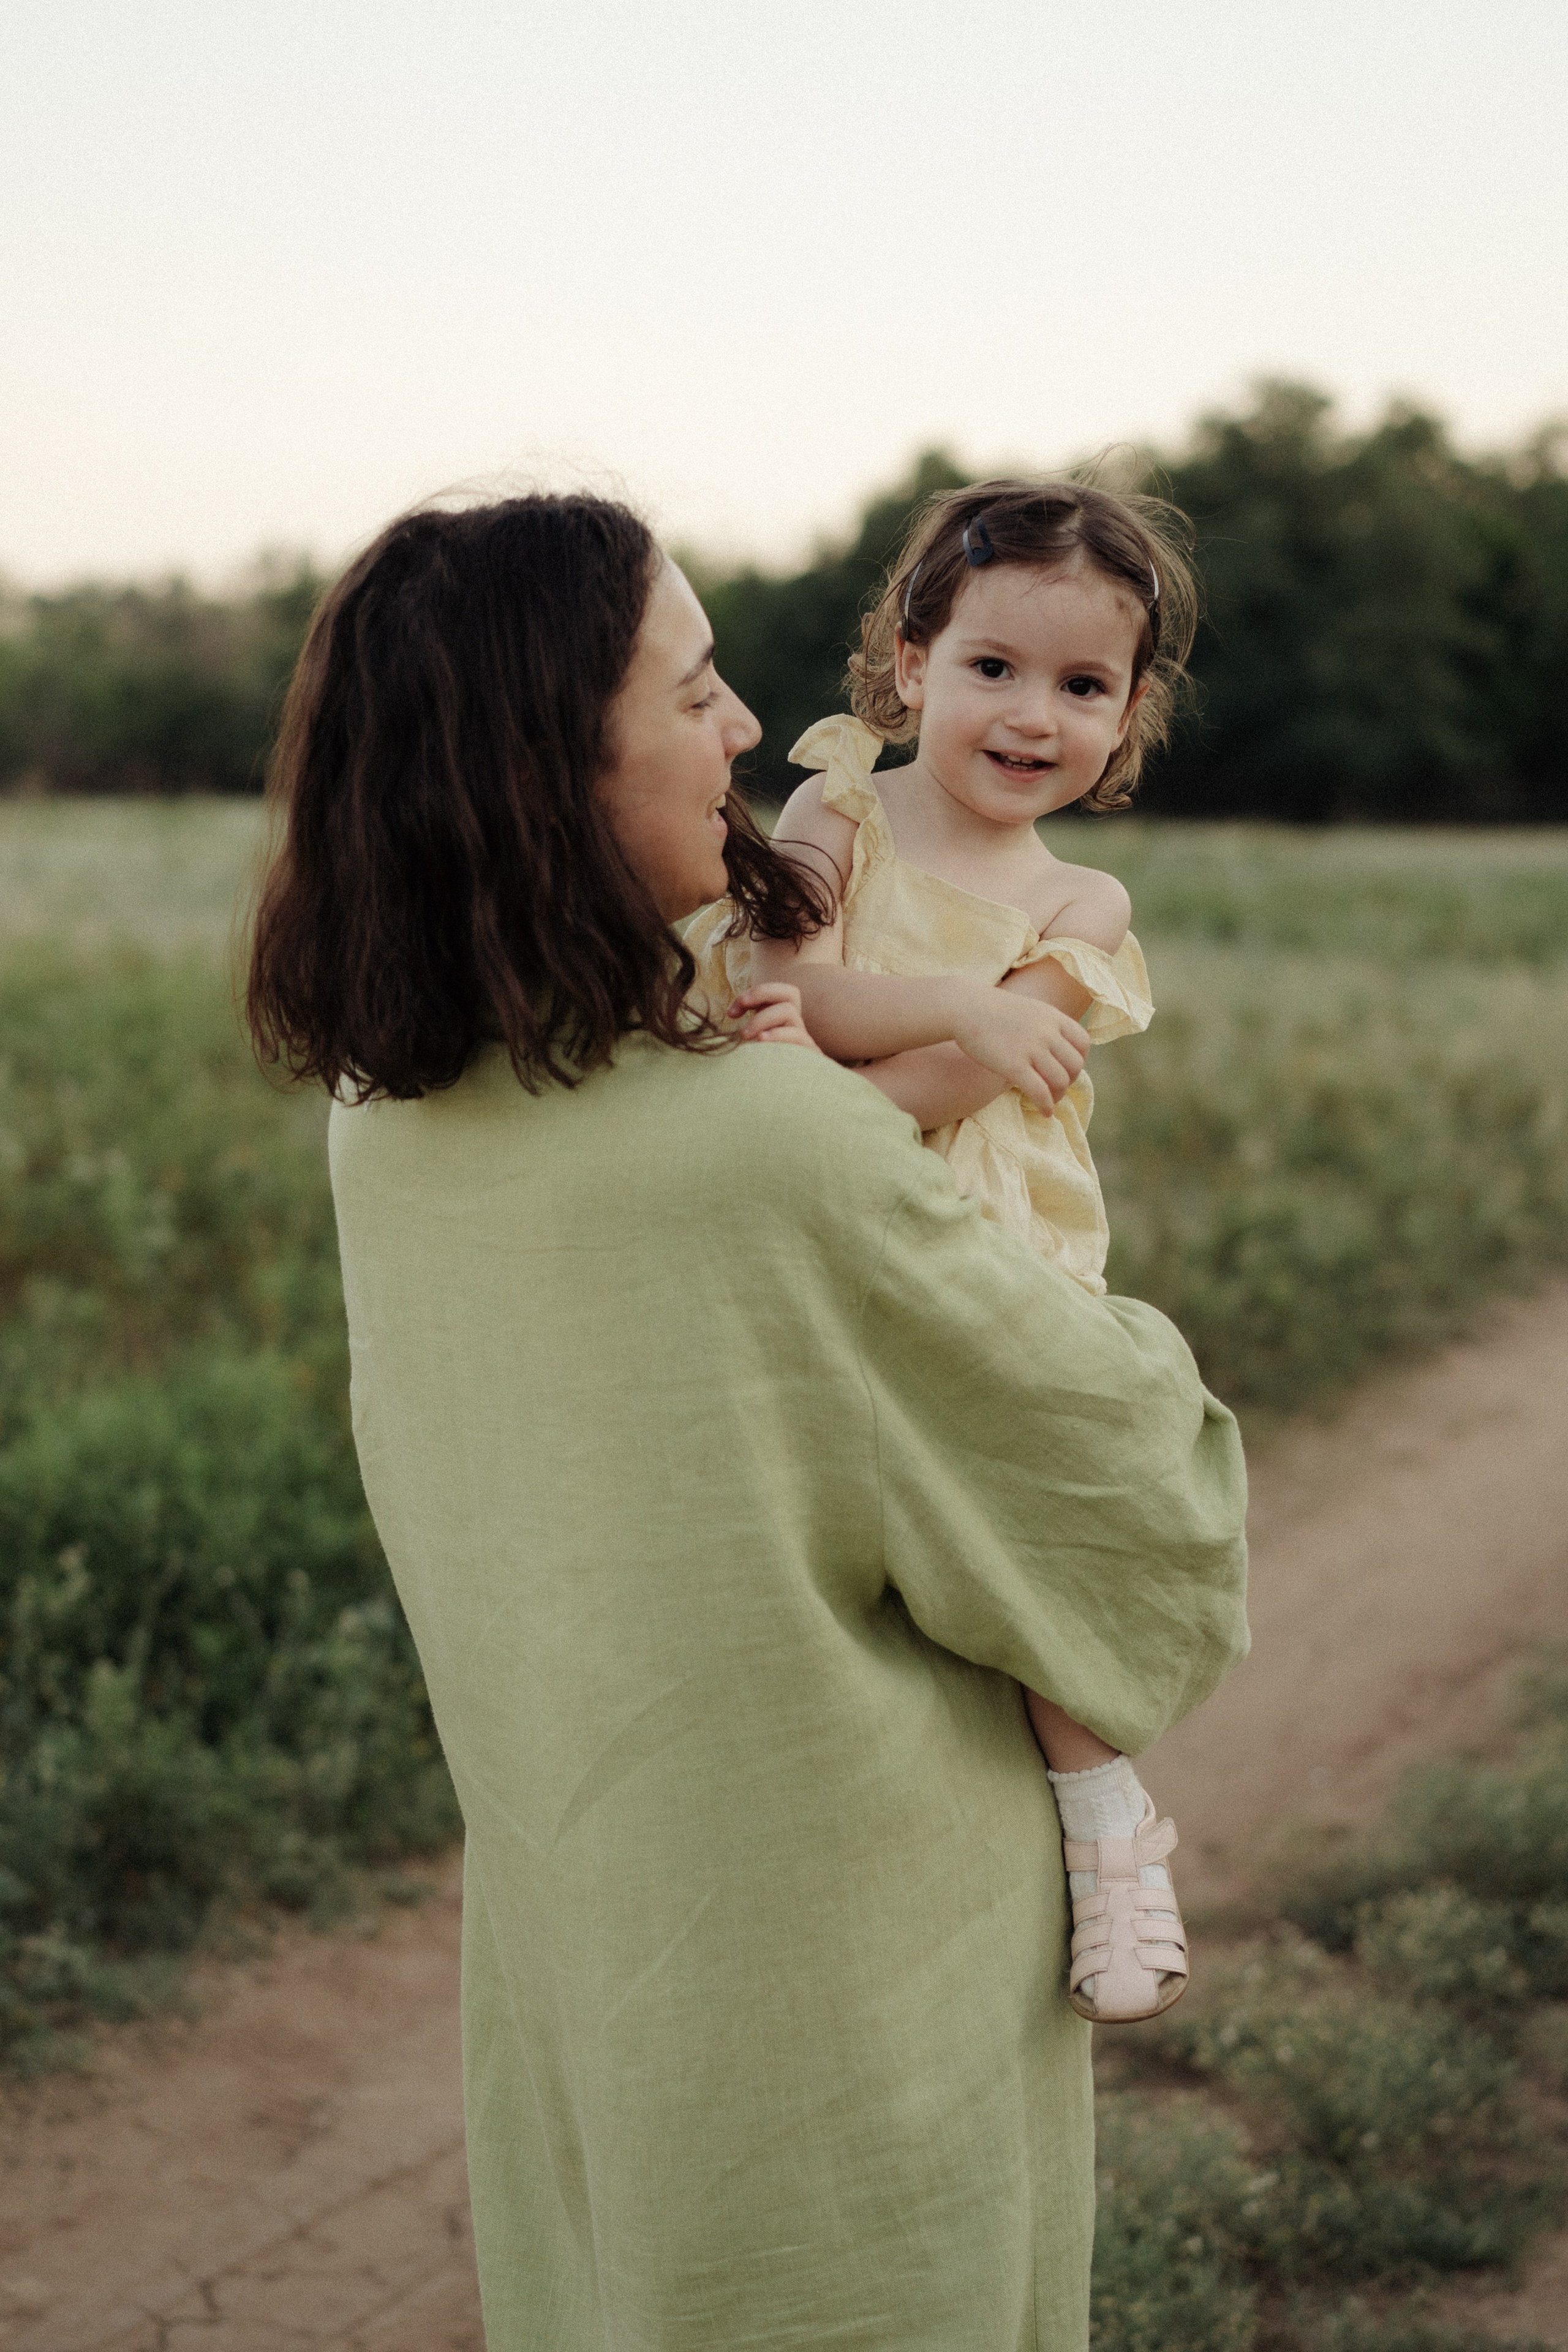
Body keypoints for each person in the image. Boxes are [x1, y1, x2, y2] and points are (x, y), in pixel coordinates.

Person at [247, 491, 1248, 2352]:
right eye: (696, 691)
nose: (741, 732)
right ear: (549, 762)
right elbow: (1137, 1503)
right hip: (847, 1968)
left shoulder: (388, 1117)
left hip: (582, 1911)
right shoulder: (777, 1147)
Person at [688, 478, 1201, 2024]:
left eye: (1081, 685)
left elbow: (932, 1081)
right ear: (910, 663)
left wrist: (945, 1027)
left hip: (988, 1237)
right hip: (809, 1215)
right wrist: (968, 1001)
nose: (1030, 712)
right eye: (992, 666)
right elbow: (793, 995)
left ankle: (1107, 1822)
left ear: (1125, 716)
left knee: (1017, 1511)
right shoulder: (835, 808)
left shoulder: (1079, 898)